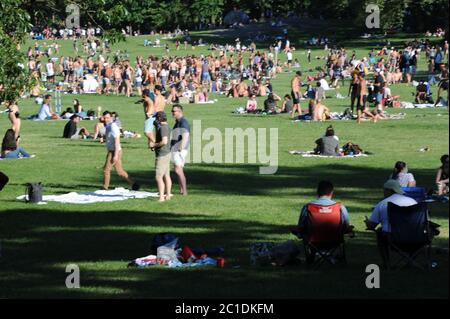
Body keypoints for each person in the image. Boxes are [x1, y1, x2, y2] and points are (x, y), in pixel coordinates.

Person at [293, 180, 352, 262]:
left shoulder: (308, 207)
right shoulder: (340, 207)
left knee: (304, 232)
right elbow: (346, 226)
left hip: (313, 242)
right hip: (335, 241)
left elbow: (301, 226)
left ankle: (311, 257)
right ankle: (338, 257)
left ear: (317, 192)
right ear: (331, 193)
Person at [102, 111, 138, 191]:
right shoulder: (108, 125)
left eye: (107, 118)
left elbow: (117, 140)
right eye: (104, 118)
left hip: (114, 151)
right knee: (120, 171)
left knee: (106, 170)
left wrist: (115, 155)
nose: (105, 119)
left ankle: (105, 187)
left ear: (111, 118)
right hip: (113, 150)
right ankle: (134, 184)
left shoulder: (113, 127)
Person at [150, 111, 172, 202]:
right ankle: (168, 195)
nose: (155, 120)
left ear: (159, 118)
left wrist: (154, 145)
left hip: (162, 155)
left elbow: (164, 141)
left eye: (156, 118)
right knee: (166, 175)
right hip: (167, 153)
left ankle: (161, 197)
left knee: (158, 177)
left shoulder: (163, 128)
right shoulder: (166, 126)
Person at [171, 104, 190, 196]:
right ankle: (182, 190)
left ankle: (185, 191)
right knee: (177, 169)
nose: (172, 113)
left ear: (180, 112)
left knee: (178, 170)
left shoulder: (183, 122)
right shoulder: (178, 122)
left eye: (174, 111)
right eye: (172, 111)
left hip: (179, 150)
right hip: (176, 148)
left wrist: (180, 148)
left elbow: (185, 135)